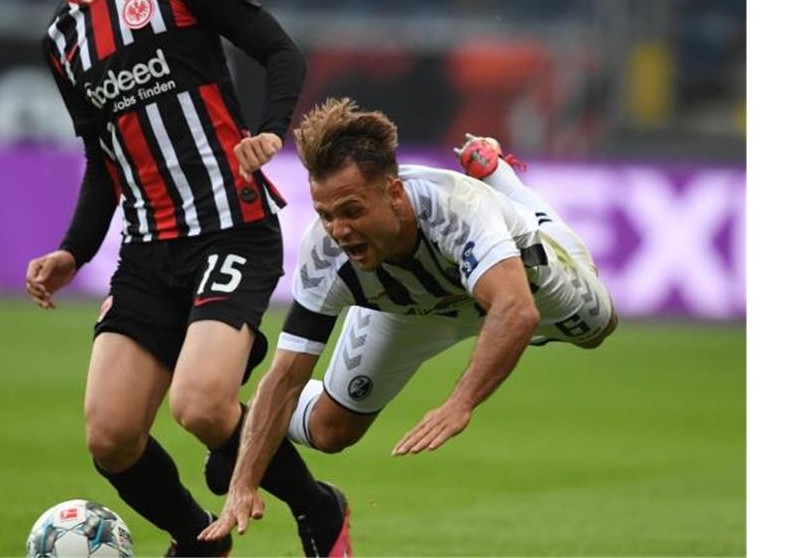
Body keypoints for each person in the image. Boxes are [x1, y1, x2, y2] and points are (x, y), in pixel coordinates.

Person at [5, 0, 350, 557]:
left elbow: (278, 50)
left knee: (200, 406)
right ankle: (200, 540)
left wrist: (269, 130)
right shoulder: (63, 40)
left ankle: (319, 508)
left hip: (231, 227)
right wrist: (73, 250)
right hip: (149, 251)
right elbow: (104, 156)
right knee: (111, 435)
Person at [201, 98, 618, 543]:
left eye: (352, 211)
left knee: (599, 327)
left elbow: (516, 310)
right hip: (409, 310)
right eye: (326, 215)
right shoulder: (324, 252)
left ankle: (499, 174)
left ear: (394, 193)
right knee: (330, 431)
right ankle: (246, 425)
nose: (339, 230)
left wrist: (460, 403)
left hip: (521, 280)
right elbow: (285, 378)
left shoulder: (455, 209)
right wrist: (245, 478)